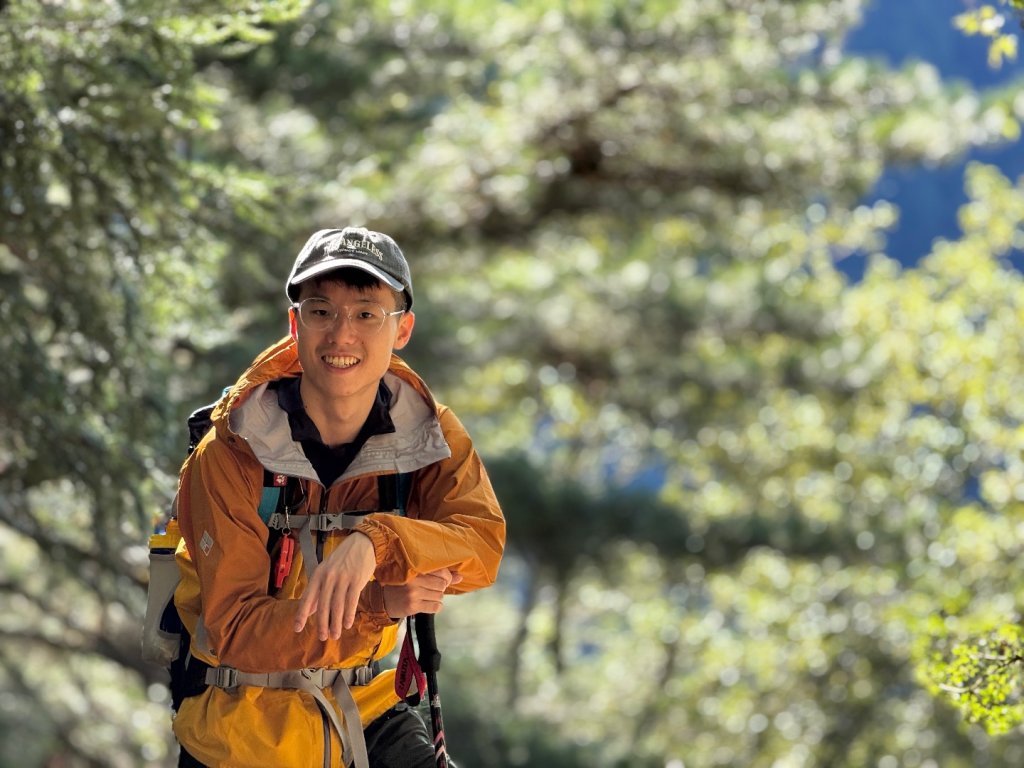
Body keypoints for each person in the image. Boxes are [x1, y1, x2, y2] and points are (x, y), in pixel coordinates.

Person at [170, 227, 506, 767]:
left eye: (367, 313)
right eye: (322, 311)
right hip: (244, 729)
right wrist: (376, 605)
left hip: (367, 708)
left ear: (403, 330)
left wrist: (377, 542)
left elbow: (482, 544)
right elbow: (235, 630)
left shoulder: (427, 433)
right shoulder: (232, 449)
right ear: (295, 323)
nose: (341, 335)